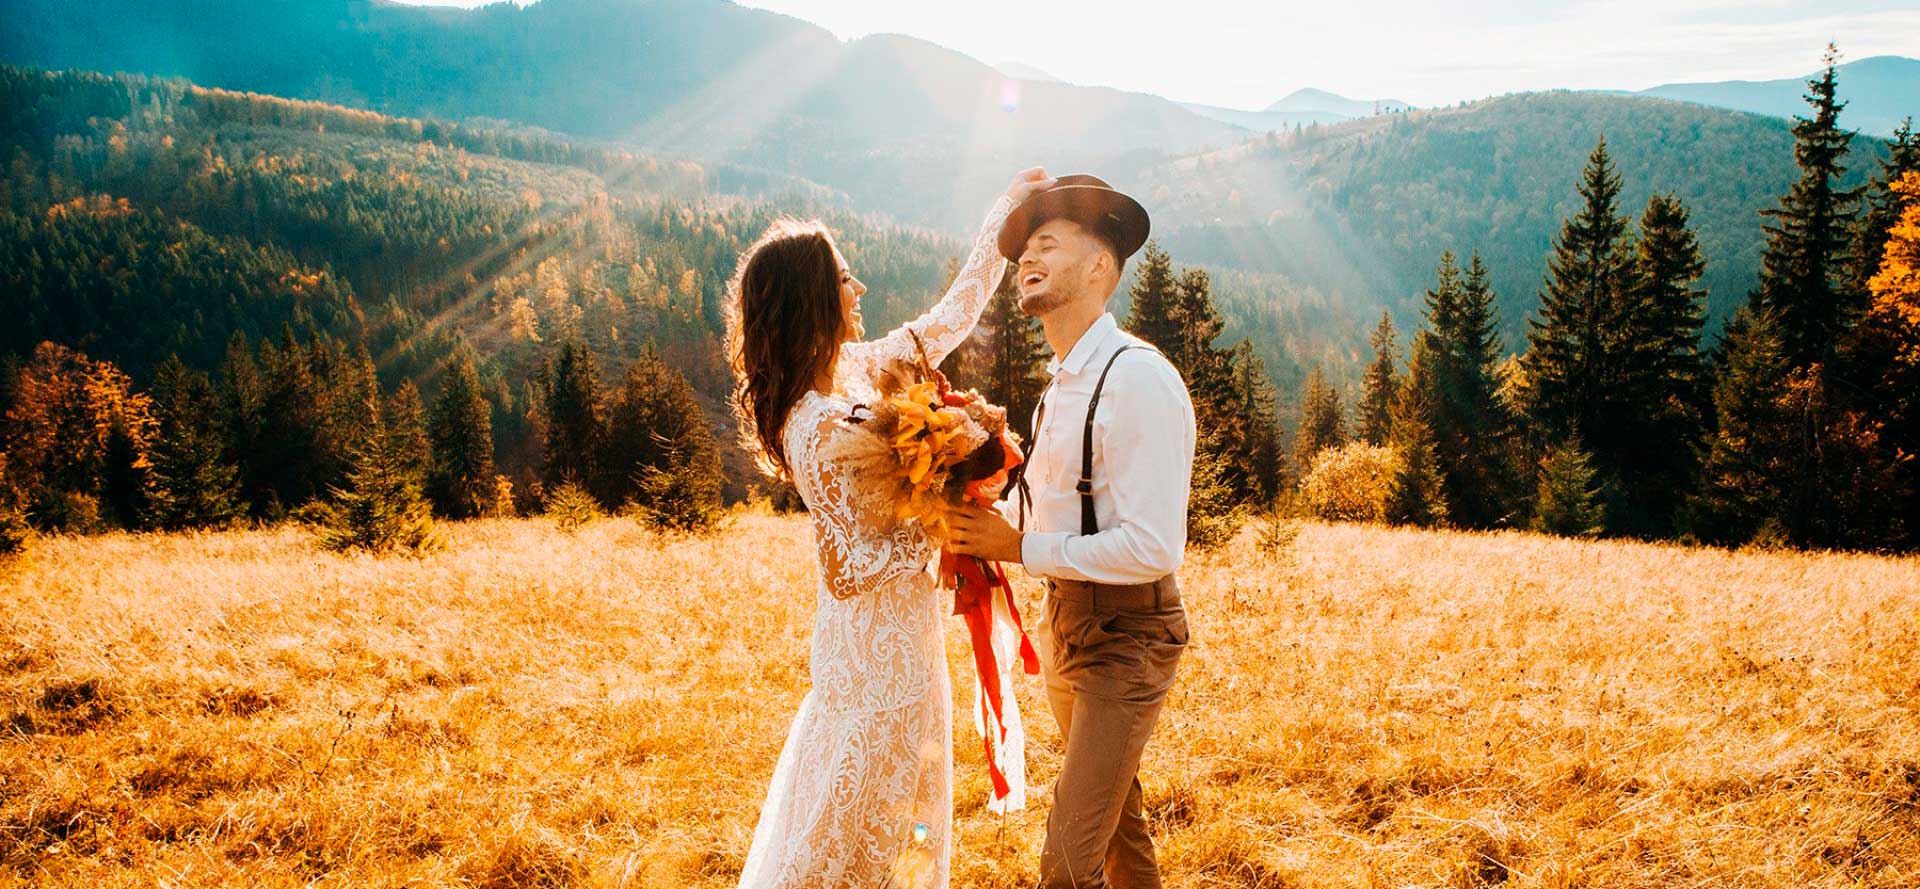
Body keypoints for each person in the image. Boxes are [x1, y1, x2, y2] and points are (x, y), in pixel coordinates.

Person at [726, 167, 1056, 888]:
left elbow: (948, 318)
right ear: (815, 298)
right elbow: (847, 567)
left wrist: (1003, 221)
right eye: (846, 279)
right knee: (853, 842)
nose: (861, 291)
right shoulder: (813, 425)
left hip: (900, 653)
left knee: (890, 835)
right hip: (874, 674)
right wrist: (938, 525)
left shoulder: (847, 373)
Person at [948, 174, 1196, 889]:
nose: (1028, 257)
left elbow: (1154, 546)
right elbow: (1045, 506)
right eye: (1025, 248)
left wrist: (1018, 548)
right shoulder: (1060, 384)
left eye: (1047, 244)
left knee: (1065, 861)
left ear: (1098, 267)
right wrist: (969, 501)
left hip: (1130, 634)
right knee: (1117, 829)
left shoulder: (1137, 379)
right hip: (1067, 624)